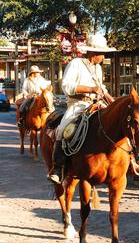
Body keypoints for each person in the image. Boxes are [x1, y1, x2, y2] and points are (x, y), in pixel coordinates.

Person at [48, 34, 116, 184]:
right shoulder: (76, 63)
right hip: (77, 105)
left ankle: (131, 161)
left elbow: (102, 89)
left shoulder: (98, 68)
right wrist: (90, 89)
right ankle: (58, 168)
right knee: (62, 130)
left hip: (96, 104)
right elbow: (66, 86)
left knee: (116, 123)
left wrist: (114, 103)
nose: (104, 56)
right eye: (102, 53)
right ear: (93, 53)